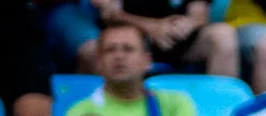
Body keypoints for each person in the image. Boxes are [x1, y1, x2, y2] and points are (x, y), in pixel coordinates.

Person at [65, 24, 201, 116]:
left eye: (128, 49)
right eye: (110, 50)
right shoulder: (80, 113)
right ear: (98, 62)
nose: (119, 56)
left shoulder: (176, 103)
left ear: (147, 61)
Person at [96, 0, 240, 78]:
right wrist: (152, 27)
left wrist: (187, 24)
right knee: (117, 40)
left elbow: (199, 13)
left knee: (223, 35)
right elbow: (110, 15)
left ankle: (221, 114)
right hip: (134, 34)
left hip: (179, 39)